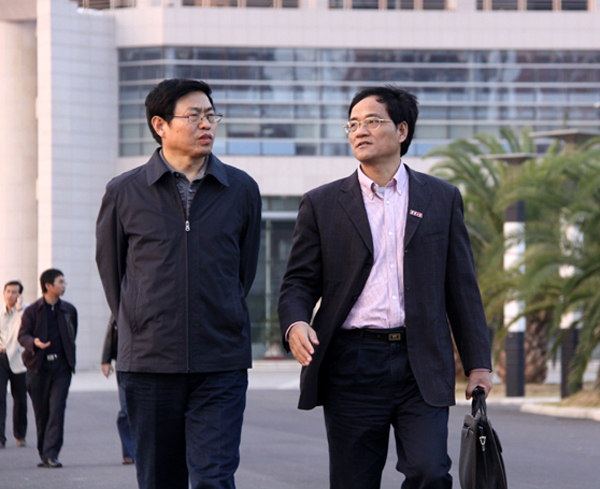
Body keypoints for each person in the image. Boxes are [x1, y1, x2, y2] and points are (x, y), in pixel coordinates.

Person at [278, 86, 493, 489]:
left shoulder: (441, 198)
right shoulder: (322, 203)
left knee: (431, 472)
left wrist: (478, 362)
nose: (360, 131)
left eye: (373, 121)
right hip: (352, 361)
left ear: (402, 130)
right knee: (354, 480)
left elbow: (461, 288)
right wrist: (295, 323)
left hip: (421, 360)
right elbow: (299, 281)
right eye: (353, 124)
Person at [95, 78, 261, 489]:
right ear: (160, 125)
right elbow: (113, 273)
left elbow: (243, 271)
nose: (206, 124)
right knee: (159, 479)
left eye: (211, 115)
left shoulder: (241, 189)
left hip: (221, 361)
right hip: (149, 363)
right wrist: (139, 324)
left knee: (214, 478)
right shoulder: (124, 191)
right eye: (194, 116)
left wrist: (222, 315)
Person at [19, 269, 77, 468]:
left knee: (57, 409)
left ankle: (52, 454)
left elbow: (72, 333)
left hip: (62, 368)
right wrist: (34, 343)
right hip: (38, 368)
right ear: (48, 286)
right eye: (61, 282)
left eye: (64, 282)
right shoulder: (32, 311)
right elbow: (23, 335)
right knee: (42, 412)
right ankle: (44, 452)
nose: (64, 285)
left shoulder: (69, 310)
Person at [101, 315, 134, 465]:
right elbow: (112, 330)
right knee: (127, 409)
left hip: (148, 362)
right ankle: (129, 452)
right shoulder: (122, 306)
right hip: (124, 361)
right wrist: (106, 360)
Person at [0, 280, 28, 448]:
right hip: (1, 358)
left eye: (14, 292)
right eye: (8, 291)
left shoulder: (26, 310)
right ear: (4, 293)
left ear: (19, 295)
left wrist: (19, 309)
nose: (10, 295)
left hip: (19, 359)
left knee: (20, 399)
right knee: (0, 398)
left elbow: (28, 329)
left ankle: (20, 435)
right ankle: (0, 437)